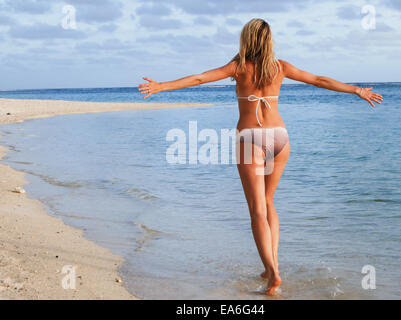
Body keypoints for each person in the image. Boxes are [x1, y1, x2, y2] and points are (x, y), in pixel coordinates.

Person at [138, 18, 383, 295]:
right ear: (269, 40)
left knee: (256, 210)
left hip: (251, 139)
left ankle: (273, 274)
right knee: (268, 203)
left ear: (247, 39)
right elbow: (318, 80)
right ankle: (271, 266)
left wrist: (161, 86)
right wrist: (357, 90)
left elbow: (199, 78)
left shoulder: (239, 67)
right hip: (280, 138)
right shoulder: (281, 67)